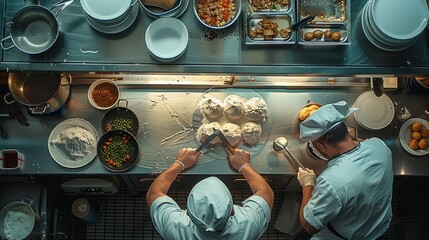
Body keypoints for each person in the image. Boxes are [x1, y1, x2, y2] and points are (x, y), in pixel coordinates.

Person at [297, 101, 393, 239]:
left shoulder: (331, 181)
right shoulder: (380, 146)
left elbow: (309, 226)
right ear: (346, 131)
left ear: (320, 145)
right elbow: (362, 142)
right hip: (379, 227)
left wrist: (308, 184)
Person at [146, 147, 274, 240]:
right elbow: (266, 193)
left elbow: (154, 193)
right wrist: (244, 165)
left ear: (188, 213)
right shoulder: (250, 225)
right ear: (233, 211)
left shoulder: (174, 228)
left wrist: (179, 163)